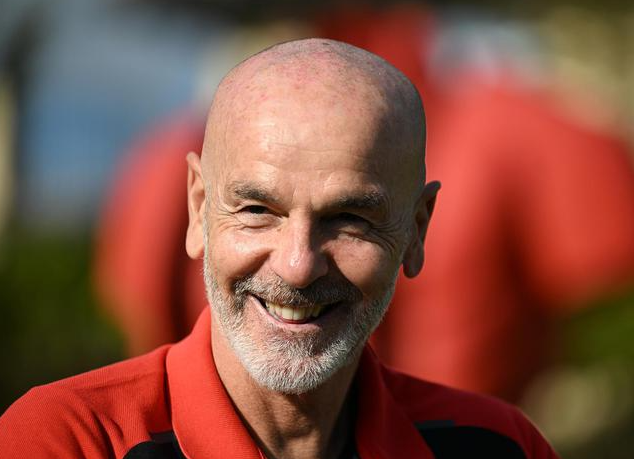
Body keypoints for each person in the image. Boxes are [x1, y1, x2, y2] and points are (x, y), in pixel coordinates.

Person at [0, 39, 559, 458]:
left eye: (349, 218)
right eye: (257, 210)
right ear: (198, 209)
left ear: (417, 230)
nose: (297, 266)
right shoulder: (68, 441)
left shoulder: (499, 446)